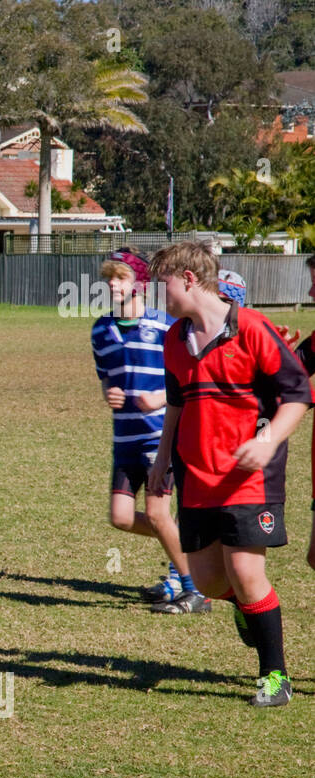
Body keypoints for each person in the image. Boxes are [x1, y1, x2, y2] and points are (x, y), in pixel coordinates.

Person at [147, 242, 309, 707]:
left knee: (245, 569)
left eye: (165, 284)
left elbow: (297, 394)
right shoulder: (174, 339)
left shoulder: (252, 328)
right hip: (195, 475)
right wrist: (162, 460)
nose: (163, 296)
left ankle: (275, 676)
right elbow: (177, 403)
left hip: (248, 478)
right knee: (210, 582)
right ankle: (243, 604)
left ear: (189, 279)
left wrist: (267, 440)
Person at [90, 249, 207, 613]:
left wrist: (160, 396)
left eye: (121, 277)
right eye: (109, 276)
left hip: (161, 436)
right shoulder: (100, 330)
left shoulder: (165, 327)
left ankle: (194, 589)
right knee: (121, 517)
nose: (112, 283)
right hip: (124, 439)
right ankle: (181, 544)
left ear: (139, 284)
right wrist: (107, 392)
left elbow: (190, 374)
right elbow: (108, 379)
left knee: (157, 514)